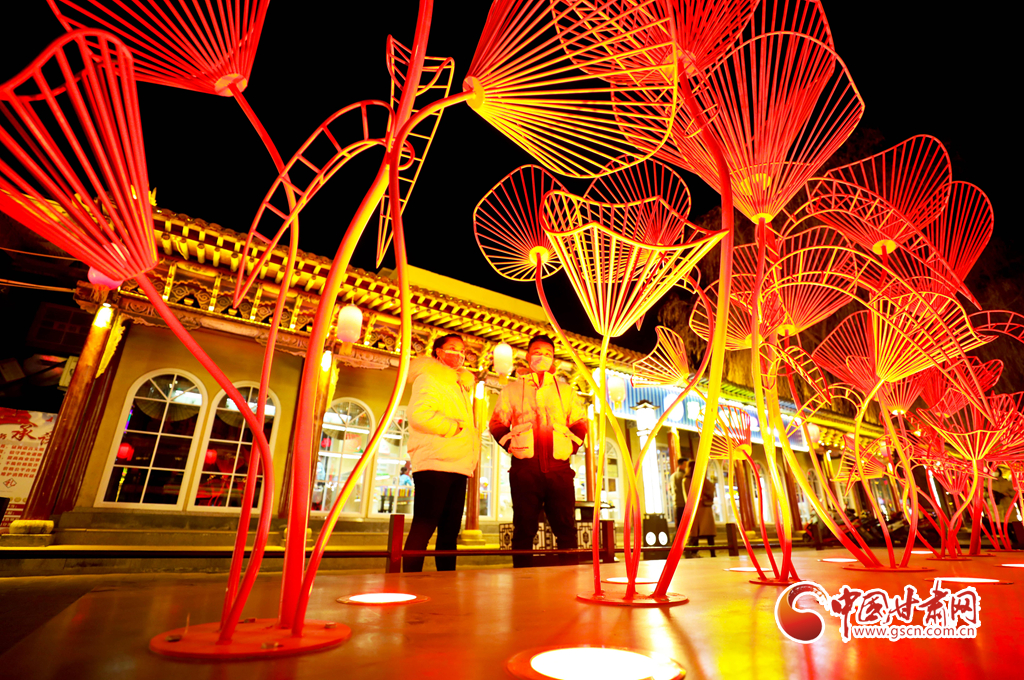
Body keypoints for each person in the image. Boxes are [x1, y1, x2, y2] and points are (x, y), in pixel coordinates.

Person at [490, 335, 588, 567]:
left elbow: (580, 423)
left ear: (553, 358)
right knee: (524, 527)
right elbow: (497, 423)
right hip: (525, 469)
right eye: (537, 352)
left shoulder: (566, 391)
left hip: (559, 469)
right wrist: (511, 445)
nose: (542, 357)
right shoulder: (512, 390)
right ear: (527, 356)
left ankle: (569, 576)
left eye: (547, 353)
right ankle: (522, 577)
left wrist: (569, 446)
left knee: (566, 527)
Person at [402, 333, 479, 572]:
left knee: (450, 529)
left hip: (457, 463)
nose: (459, 354)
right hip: (434, 461)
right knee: (424, 525)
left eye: (462, 350)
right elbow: (419, 414)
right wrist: (452, 428)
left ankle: (447, 579)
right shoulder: (429, 377)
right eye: (452, 348)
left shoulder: (458, 384)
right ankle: (408, 579)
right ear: (438, 351)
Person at [681, 460, 717, 558]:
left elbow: (711, 489)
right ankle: (695, 552)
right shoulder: (689, 480)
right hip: (698, 509)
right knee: (696, 533)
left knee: (703, 533)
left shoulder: (698, 479)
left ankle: (700, 552)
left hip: (701, 509)